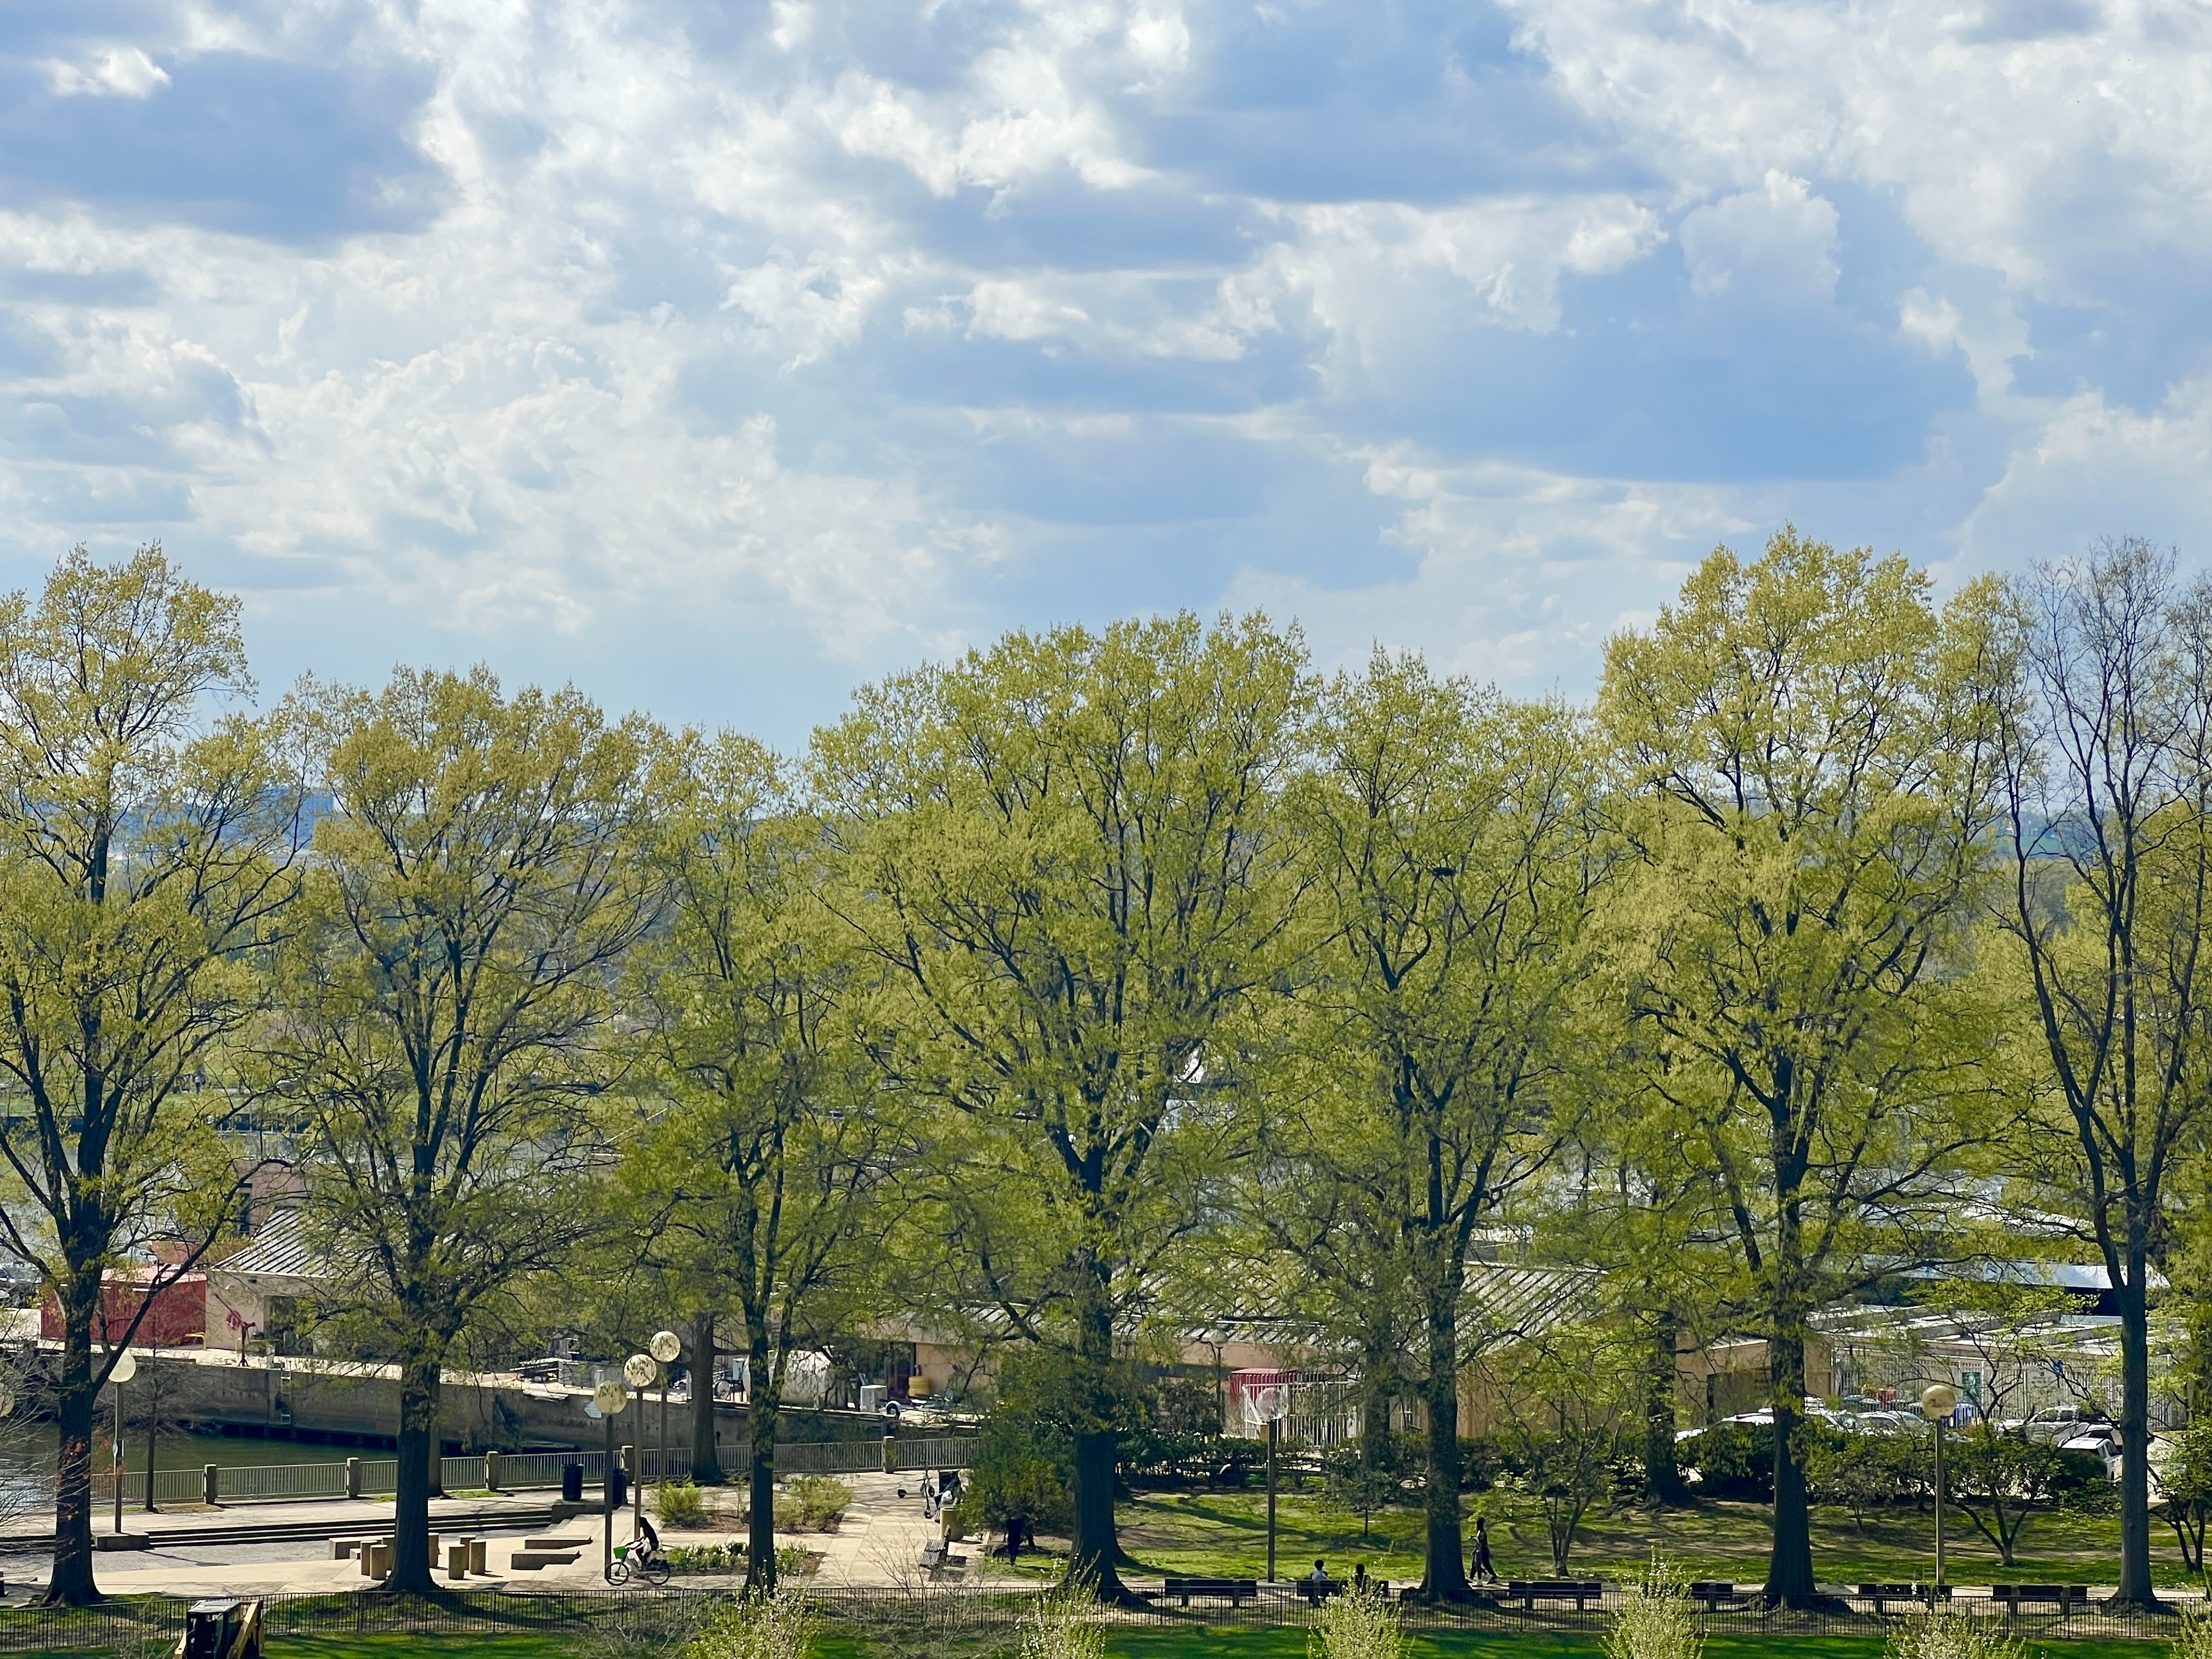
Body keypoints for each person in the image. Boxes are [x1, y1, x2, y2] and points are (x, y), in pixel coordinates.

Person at [1471, 1516, 1497, 1585]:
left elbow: (1481, 1543)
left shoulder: (1481, 1533)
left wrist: (1478, 1550)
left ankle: (1490, 1576)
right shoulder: (1482, 1532)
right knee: (1477, 1564)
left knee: (1479, 1564)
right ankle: (1473, 1577)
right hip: (1483, 1550)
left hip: (1482, 1551)